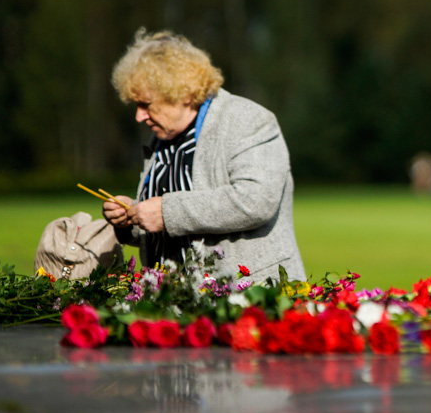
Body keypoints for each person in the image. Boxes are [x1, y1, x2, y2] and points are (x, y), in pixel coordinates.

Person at [103, 29, 306, 283]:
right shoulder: (161, 138)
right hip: (173, 302)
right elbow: (167, 228)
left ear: (184, 94)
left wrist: (167, 212)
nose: (139, 116)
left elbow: (256, 201)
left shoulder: (249, 120)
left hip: (250, 300)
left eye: (146, 104)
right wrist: (130, 218)